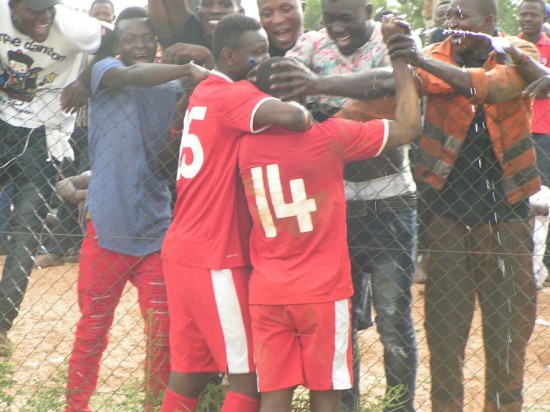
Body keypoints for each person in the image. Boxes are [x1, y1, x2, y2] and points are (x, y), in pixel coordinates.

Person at [239, 19, 421, 410]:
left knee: (274, 394)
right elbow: (409, 127)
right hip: (321, 292)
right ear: (303, 90)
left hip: (268, 291)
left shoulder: (243, 149)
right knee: (327, 393)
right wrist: (402, 64)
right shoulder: (329, 138)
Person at [387, 0, 540, 409]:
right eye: (447, 16)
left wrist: (415, 56)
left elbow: (485, 86)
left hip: (507, 216)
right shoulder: (433, 58)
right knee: (445, 340)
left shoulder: (518, 54)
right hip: (447, 220)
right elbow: (395, 82)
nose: (453, 24)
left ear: (488, 22)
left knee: (507, 342)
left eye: (463, 17)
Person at [160, 14, 313, 412]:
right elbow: (296, 118)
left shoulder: (206, 91)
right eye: (257, 52)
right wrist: (304, 91)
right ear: (228, 55)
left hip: (182, 251)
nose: (265, 59)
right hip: (214, 255)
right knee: (252, 381)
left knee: (188, 376)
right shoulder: (233, 94)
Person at [63, 7, 209, 412]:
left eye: (147, 37)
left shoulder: (169, 85)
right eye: (130, 38)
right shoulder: (104, 73)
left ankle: (157, 404)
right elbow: (131, 76)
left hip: (156, 226)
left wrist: (184, 81)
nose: (140, 44)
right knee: (92, 328)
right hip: (106, 227)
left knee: (162, 332)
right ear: (116, 43)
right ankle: (76, 405)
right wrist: (185, 72)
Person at [0, 0, 108, 357]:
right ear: (14, 6)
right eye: (35, 9)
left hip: (45, 138)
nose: (44, 16)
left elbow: (114, 37)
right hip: (2, 126)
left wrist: (85, 78)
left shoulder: (75, 26)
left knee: (26, 235)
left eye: (50, 7)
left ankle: (0, 327)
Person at [37, 0, 116, 268]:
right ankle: (63, 247)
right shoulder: (75, 48)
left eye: (107, 15)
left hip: (99, 130)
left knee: (86, 187)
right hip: (70, 128)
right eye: (98, 15)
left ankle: (74, 247)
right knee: (65, 188)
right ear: (89, 19)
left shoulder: (117, 52)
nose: (103, 19)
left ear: (113, 19)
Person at [518, 0, 550, 281]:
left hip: (544, 133)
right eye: (523, 14)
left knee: (541, 201)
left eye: (533, 14)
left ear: (544, 18)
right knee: (517, 198)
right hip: (515, 130)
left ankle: (537, 268)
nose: (527, 19)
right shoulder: (505, 46)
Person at [147, 0, 241, 67]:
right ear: (198, 11)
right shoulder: (190, 36)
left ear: (241, 13)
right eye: (207, 4)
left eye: (225, 4)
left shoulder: (250, 45)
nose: (215, 11)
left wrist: (207, 56)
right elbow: (171, 6)